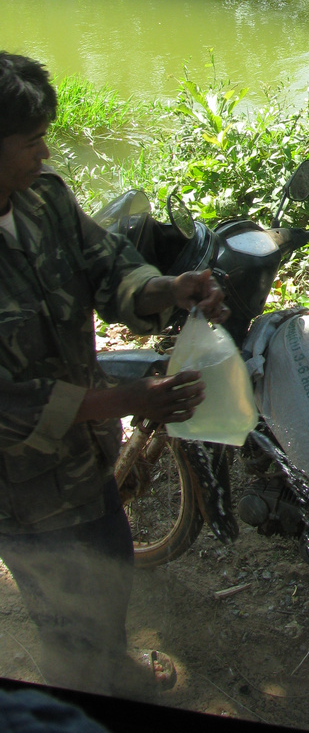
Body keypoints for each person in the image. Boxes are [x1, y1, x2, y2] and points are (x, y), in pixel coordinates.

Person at [0, 52, 226, 699]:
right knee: (66, 615)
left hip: (86, 460)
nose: (44, 153)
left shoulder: (43, 200)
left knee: (109, 567)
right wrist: (130, 399)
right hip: (21, 491)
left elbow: (108, 267)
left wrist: (170, 289)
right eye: (30, 141)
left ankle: (112, 668)